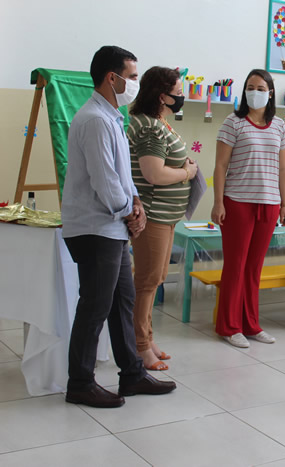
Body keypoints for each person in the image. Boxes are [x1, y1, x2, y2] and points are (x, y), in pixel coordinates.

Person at [61, 46, 176, 408]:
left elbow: (123, 175)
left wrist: (136, 203)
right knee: (95, 305)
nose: (135, 83)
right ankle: (80, 383)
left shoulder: (112, 117)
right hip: (95, 228)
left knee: (122, 300)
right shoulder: (95, 119)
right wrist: (130, 211)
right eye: (132, 76)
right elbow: (104, 181)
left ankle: (132, 374)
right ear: (112, 78)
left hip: (112, 227)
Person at [211, 69, 285, 348]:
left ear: (270, 93)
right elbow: (220, 166)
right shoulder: (233, 123)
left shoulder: (279, 125)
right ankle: (229, 326)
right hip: (238, 202)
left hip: (268, 204)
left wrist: (284, 203)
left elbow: (283, 168)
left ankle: (251, 324)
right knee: (236, 266)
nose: (255, 92)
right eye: (250, 87)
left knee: (254, 268)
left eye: (261, 88)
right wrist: (218, 202)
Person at [127, 66, 198, 370]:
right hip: (153, 214)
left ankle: (148, 338)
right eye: (178, 93)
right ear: (161, 96)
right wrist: (187, 173)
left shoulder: (158, 122)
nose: (182, 97)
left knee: (155, 279)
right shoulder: (150, 127)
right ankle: (140, 346)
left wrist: (183, 166)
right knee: (147, 281)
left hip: (166, 215)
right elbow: (153, 173)